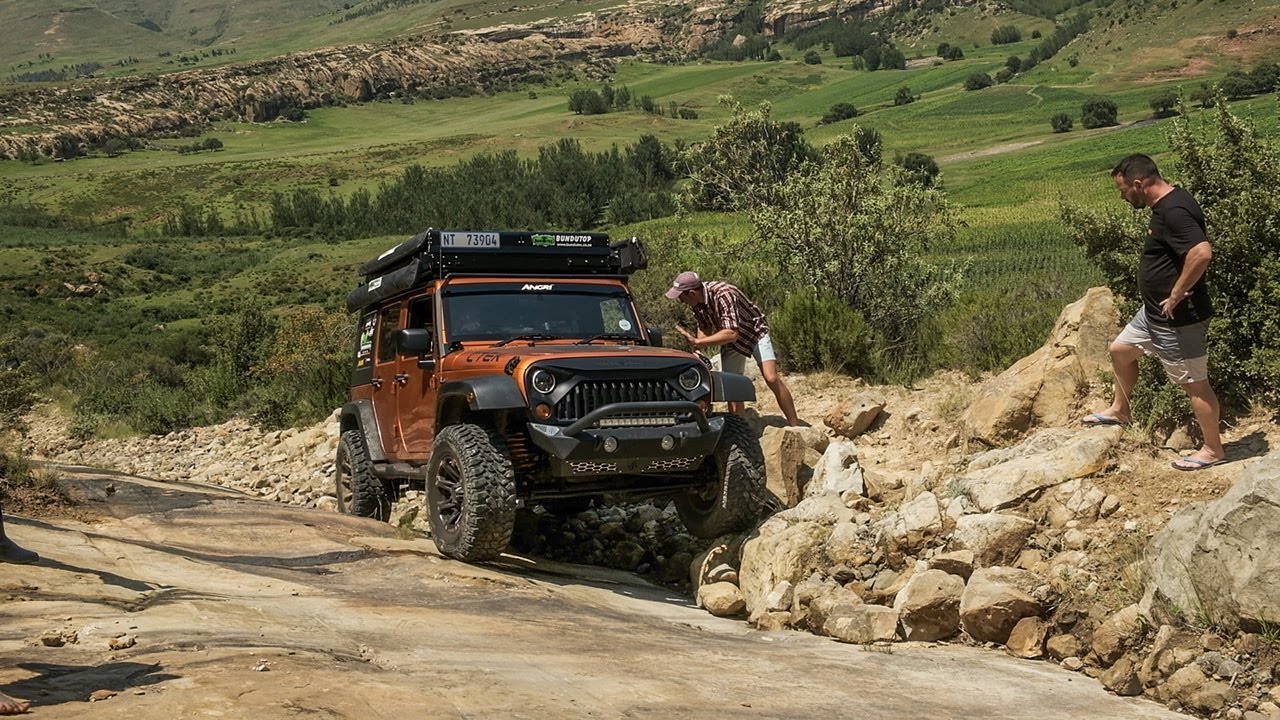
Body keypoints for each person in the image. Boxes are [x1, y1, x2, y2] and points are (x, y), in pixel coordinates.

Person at [1082, 153, 1225, 471]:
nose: (1123, 197)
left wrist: (1176, 293)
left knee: (1194, 384)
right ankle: (1120, 410)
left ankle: (1213, 449)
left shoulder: (1174, 210)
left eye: (1123, 190)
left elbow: (1201, 252)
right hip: (1153, 314)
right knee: (1120, 351)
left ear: (1138, 184)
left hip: (1179, 319)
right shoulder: (1167, 204)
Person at [665, 271, 801, 426]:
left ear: (691, 293)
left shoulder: (724, 294)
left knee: (771, 378)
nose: (680, 300)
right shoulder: (696, 303)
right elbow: (704, 325)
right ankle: (740, 429)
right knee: (732, 388)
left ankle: (795, 425)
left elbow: (732, 333)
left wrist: (700, 342)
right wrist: (698, 349)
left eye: (681, 296)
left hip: (754, 333)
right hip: (731, 342)